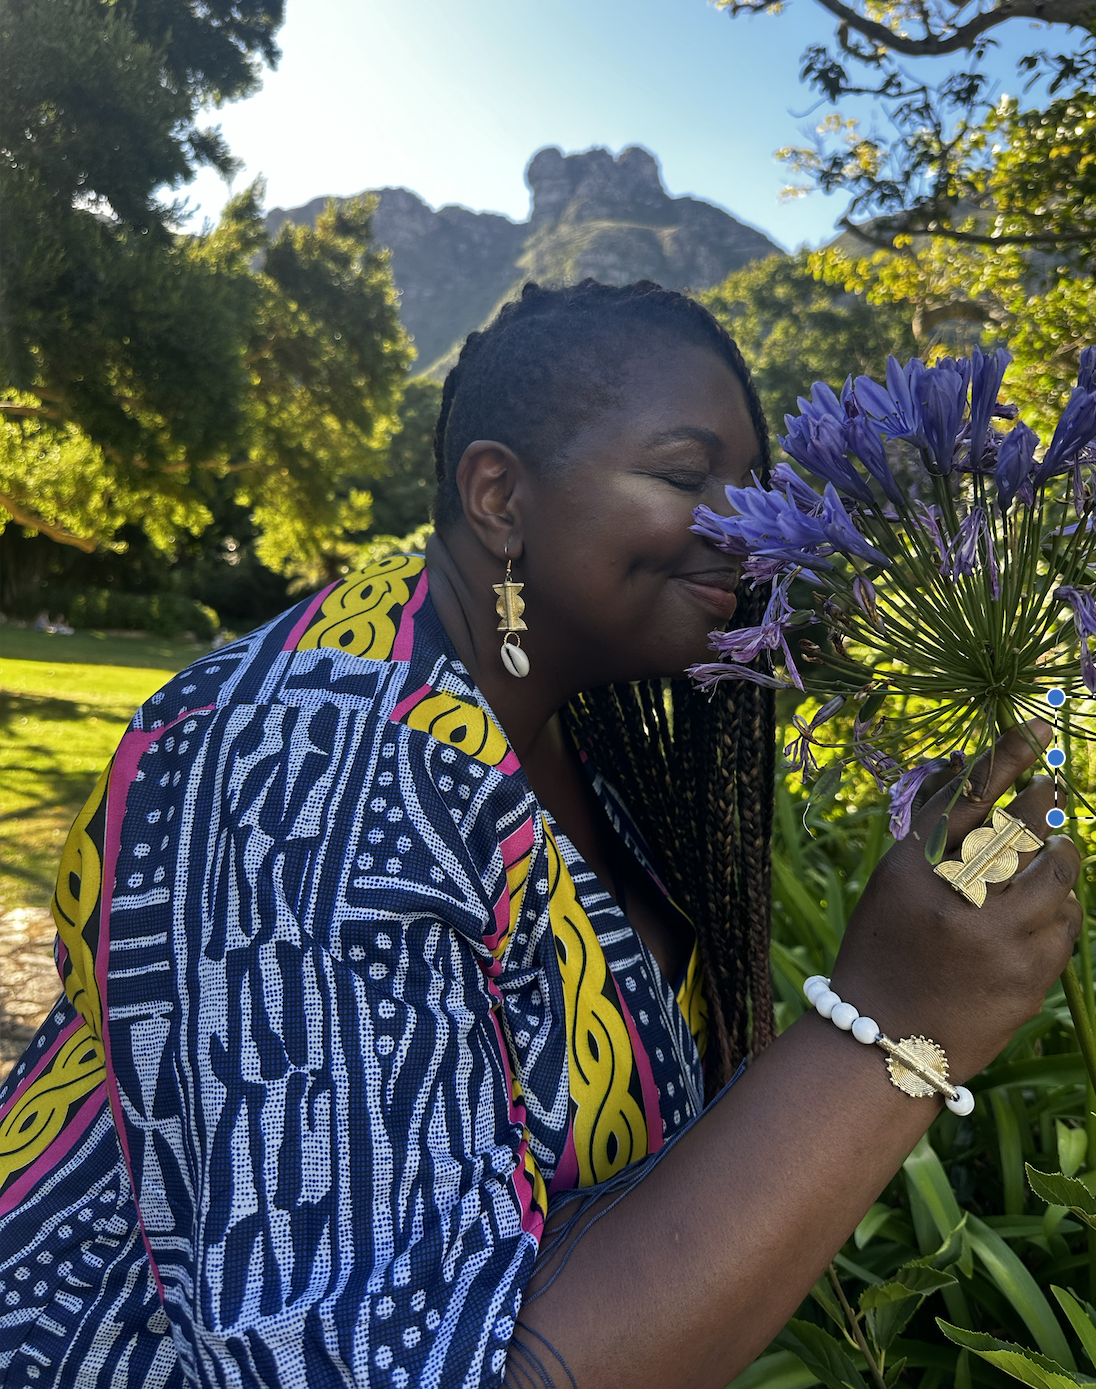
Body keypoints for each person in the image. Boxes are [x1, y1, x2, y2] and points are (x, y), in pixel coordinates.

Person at [0, 280, 1079, 1389]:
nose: (748, 531)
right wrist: (894, 1024)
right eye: (682, 474)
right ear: (500, 497)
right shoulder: (302, 765)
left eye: (758, 487)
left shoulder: (562, 735)